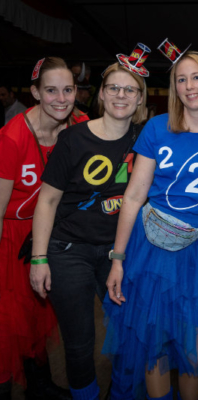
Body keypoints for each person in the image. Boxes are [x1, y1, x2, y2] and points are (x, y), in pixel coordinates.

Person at [102, 50, 198, 400]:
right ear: (174, 87)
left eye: (196, 77)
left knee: (197, 342)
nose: (189, 85)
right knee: (155, 340)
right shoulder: (156, 127)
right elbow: (134, 196)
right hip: (152, 248)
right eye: (181, 79)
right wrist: (117, 258)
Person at [30, 59, 147, 400]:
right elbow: (47, 201)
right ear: (101, 94)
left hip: (121, 252)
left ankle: (123, 394)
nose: (121, 95)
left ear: (140, 98)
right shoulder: (73, 139)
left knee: (130, 333)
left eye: (130, 90)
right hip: (69, 251)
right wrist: (39, 258)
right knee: (80, 342)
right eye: (114, 88)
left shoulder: (147, 140)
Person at [0, 57, 88, 400]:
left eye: (68, 90)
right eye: (51, 91)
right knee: (9, 324)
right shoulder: (11, 138)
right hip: (12, 240)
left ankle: (40, 386)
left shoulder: (80, 125)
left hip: (52, 235)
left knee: (38, 317)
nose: (61, 99)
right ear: (35, 93)